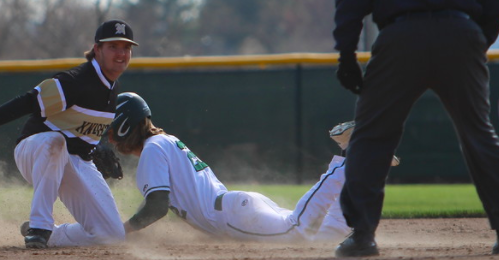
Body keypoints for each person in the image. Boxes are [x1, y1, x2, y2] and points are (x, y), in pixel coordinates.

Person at [331, 0, 499, 257]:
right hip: (461, 32)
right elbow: (496, 8)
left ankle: (364, 236)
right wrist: (472, 44)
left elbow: (349, 7)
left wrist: (347, 57)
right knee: (478, 133)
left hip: (400, 39)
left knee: (372, 137)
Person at [0, 20, 137, 248]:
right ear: (97, 49)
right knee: (55, 140)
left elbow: (78, 131)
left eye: (126, 48)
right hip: (34, 151)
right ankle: (40, 227)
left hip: (72, 160)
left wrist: (94, 149)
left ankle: (54, 235)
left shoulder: (111, 88)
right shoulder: (74, 81)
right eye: (113, 47)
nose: (121, 53)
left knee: (111, 235)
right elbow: (27, 102)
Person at [110, 92, 354, 242]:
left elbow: (156, 206)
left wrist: (122, 231)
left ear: (124, 125)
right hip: (237, 209)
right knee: (319, 237)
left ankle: (347, 160)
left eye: (110, 128)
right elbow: (156, 200)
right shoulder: (163, 141)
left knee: (297, 232)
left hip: (233, 215)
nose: (109, 137)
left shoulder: (153, 149)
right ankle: (351, 184)